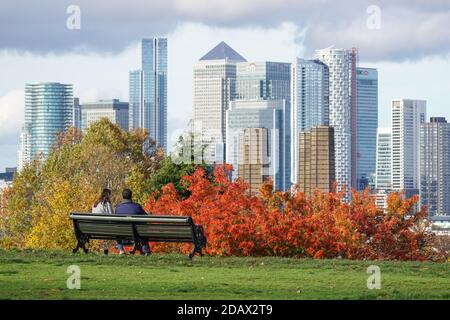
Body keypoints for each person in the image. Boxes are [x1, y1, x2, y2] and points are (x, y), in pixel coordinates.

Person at [115, 188, 150, 255]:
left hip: (122, 232)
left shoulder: (118, 208)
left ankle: (121, 250)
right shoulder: (137, 206)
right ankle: (146, 251)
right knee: (143, 229)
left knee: (117, 232)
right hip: (137, 233)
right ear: (131, 196)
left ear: (122, 197)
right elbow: (146, 217)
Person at [91, 188, 114, 255]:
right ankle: (107, 249)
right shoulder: (106, 203)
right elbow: (112, 216)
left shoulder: (95, 203)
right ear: (108, 195)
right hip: (104, 227)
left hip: (93, 227)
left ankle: (101, 249)